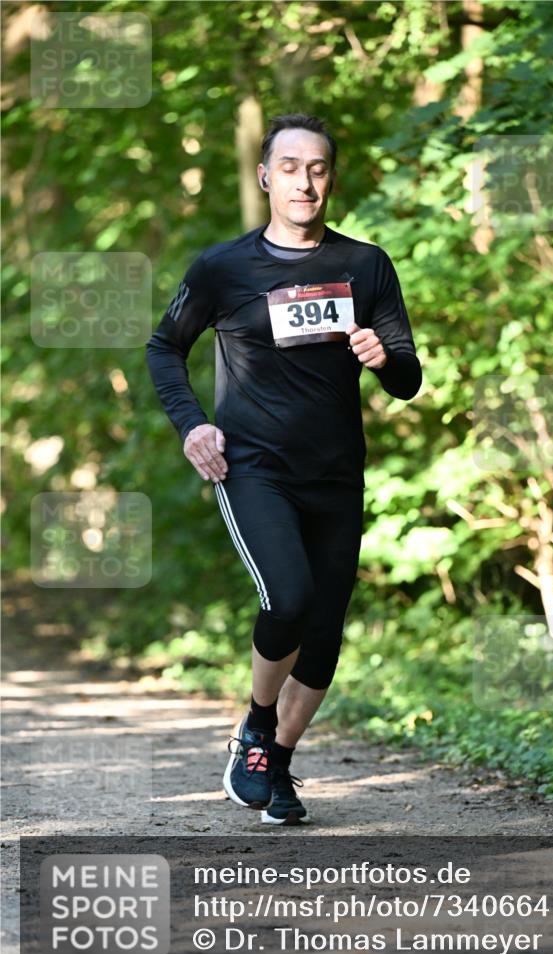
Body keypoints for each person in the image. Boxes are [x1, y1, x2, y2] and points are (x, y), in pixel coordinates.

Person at [145, 112, 422, 825]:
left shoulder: (364, 265)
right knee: (289, 598)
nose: (306, 180)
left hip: (335, 472)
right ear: (266, 177)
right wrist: (192, 425)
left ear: (331, 178)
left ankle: (278, 764)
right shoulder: (222, 267)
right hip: (253, 466)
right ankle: (257, 724)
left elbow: (407, 379)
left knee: (324, 634)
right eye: (291, 167)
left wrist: (383, 357)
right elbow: (162, 347)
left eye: (319, 168)